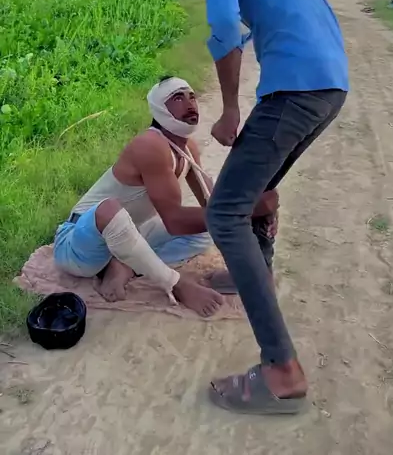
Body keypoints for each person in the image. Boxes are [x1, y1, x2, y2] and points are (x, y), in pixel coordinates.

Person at [188, 0, 349, 414]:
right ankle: (253, 272)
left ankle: (282, 371)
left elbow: (223, 26)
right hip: (332, 86)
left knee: (224, 212)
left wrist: (230, 109)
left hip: (294, 91)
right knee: (259, 186)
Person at [53, 75, 277, 318]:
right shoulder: (150, 145)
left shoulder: (187, 148)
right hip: (77, 248)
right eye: (178, 98)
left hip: (128, 234)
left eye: (192, 97)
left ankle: (126, 264)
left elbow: (213, 203)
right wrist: (249, 209)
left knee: (205, 230)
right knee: (110, 209)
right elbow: (175, 221)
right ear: (159, 107)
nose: (190, 104)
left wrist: (251, 210)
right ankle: (176, 284)